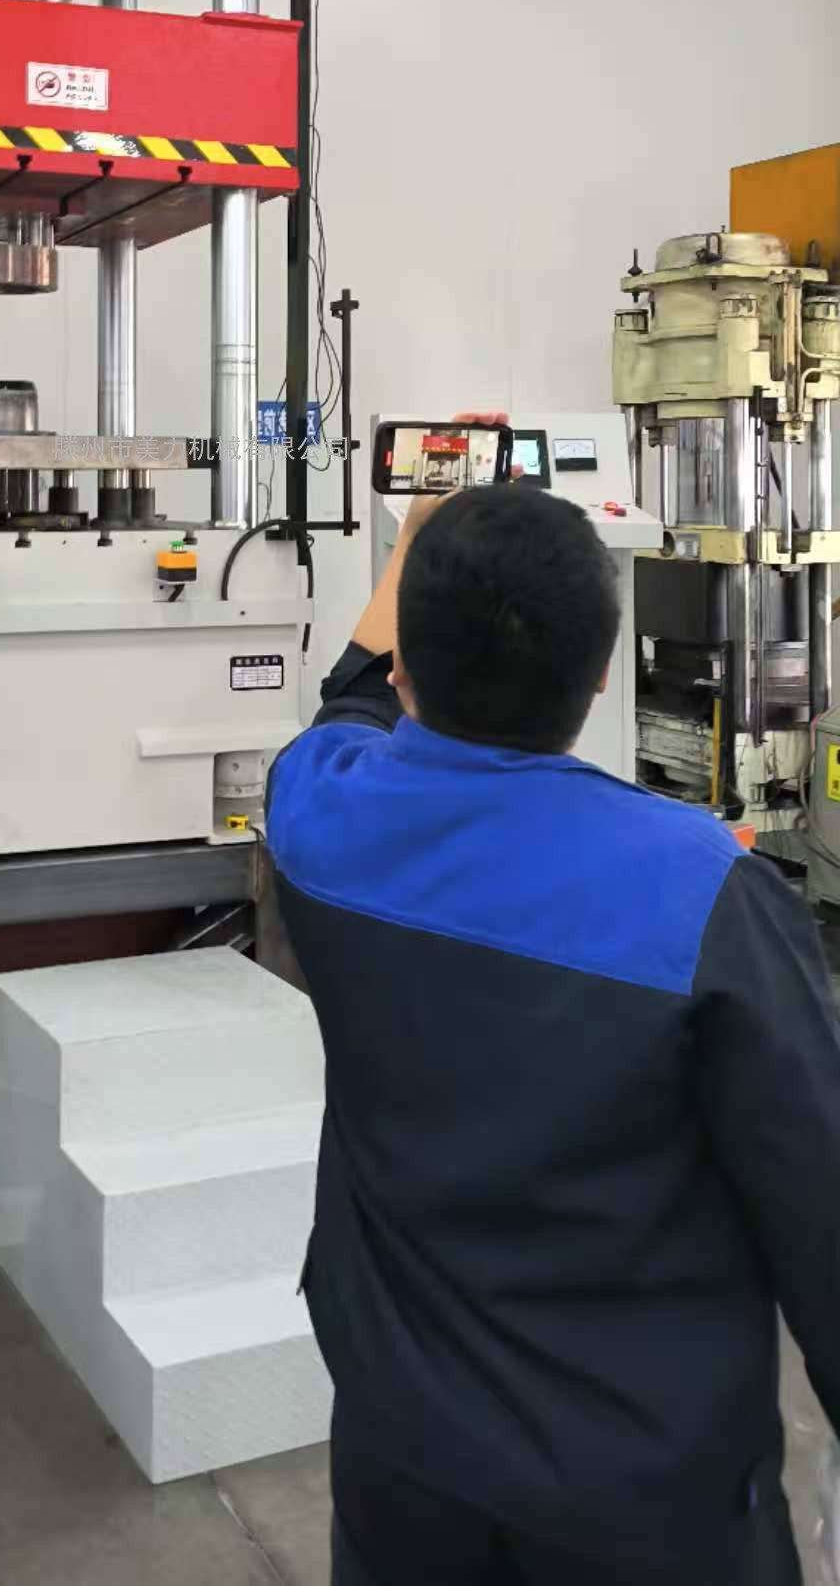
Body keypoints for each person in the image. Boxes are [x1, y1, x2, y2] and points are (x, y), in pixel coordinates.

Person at [269, 483, 840, 1586]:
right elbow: (821, 1221)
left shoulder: (320, 821)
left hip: (402, 1470)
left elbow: (344, 704)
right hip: (646, 1499)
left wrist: (410, 542)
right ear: (601, 671)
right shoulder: (707, 895)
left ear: (407, 667)